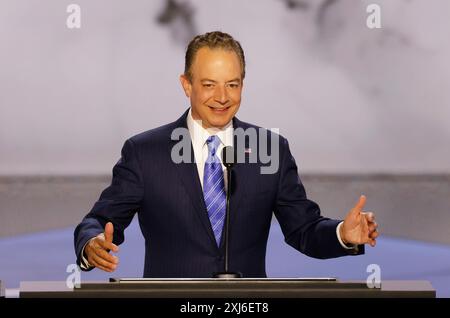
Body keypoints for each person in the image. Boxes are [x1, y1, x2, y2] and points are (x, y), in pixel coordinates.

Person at [74, 31, 378, 277]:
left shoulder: (269, 149)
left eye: (232, 85)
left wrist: (343, 234)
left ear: (242, 84)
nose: (222, 97)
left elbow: (303, 229)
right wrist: (92, 244)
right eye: (209, 85)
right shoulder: (145, 153)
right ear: (186, 85)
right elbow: (99, 220)